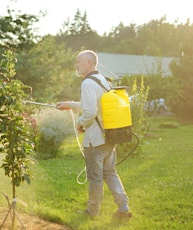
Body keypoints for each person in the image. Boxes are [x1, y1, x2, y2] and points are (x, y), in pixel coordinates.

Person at [56, 50, 132, 219]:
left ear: (89, 63)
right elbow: (94, 106)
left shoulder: (87, 83)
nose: (76, 64)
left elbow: (90, 112)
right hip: (110, 136)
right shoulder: (102, 80)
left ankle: (92, 212)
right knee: (110, 173)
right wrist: (70, 104)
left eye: (79, 61)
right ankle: (123, 207)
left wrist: (80, 124)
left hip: (95, 141)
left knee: (95, 178)